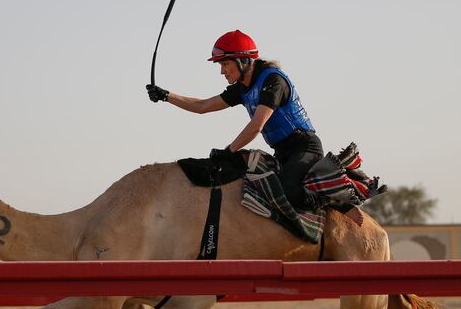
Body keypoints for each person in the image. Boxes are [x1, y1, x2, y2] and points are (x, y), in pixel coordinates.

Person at [146, 29, 363, 225]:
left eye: (225, 64)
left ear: (242, 61)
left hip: (304, 148)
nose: (222, 71)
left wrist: (229, 151)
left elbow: (256, 126)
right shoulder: (242, 87)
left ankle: (339, 201)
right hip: (282, 152)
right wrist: (166, 96)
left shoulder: (273, 81)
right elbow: (203, 106)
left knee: (289, 193)